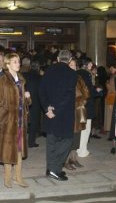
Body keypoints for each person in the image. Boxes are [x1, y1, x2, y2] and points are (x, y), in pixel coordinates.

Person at [0, 53, 31, 188]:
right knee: (8, 150)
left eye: (19, 61)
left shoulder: (21, 80)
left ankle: (18, 177)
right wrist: (5, 118)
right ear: (7, 64)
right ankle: (7, 178)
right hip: (8, 124)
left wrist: (27, 98)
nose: (18, 64)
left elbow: (24, 102)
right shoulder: (2, 81)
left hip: (20, 122)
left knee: (19, 150)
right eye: (15, 61)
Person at [39, 50, 77, 181]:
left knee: (51, 141)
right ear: (70, 59)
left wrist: (46, 108)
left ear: (58, 58)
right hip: (63, 114)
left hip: (50, 112)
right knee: (66, 141)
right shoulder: (72, 73)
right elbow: (67, 96)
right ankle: (55, 169)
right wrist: (56, 110)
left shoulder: (48, 71)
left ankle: (50, 169)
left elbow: (41, 90)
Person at [64, 58, 89, 171]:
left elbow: (85, 90)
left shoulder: (78, 77)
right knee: (69, 135)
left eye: (74, 65)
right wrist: (79, 98)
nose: (73, 67)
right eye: (71, 65)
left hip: (80, 109)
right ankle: (66, 160)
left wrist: (83, 99)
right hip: (70, 110)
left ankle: (74, 158)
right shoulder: (65, 78)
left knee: (78, 134)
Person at [76, 57, 103, 158]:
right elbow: (89, 90)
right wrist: (97, 91)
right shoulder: (86, 74)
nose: (92, 66)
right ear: (86, 64)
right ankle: (82, 150)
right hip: (86, 104)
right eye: (90, 64)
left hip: (79, 103)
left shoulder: (76, 72)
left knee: (80, 127)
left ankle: (78, 148)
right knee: (86, 128)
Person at [23, 60, 43, 148]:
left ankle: (21, 141)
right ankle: (31, 142)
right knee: (34, 123)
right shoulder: (40, 78)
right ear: (38, 68)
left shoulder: (24, 75)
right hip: (36, 103)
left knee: (23, 122)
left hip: (24, 101)